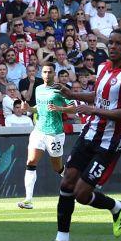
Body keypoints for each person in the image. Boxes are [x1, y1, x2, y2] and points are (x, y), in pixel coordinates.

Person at [39, 29, 121, 241]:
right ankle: (62, 240)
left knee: (82, 194)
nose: (112, 47)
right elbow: (99, 96)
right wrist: (73, 95)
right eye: (111, 43)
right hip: (89, 134)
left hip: (109, 143)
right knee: (66, 183)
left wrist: (93, 109)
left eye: (118, 44)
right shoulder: (103, 67)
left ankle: (116, 207)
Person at [18, 62, 73, 210]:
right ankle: (28, 199)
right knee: (31, 161)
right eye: (44, 72)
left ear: (54, 74)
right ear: (41, 74)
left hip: (55, 133)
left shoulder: (61, 90)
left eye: (50, 72)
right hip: (39, 131)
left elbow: (74, 108)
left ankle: (76, 183)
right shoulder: (38, 89)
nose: (47, 74)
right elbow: (39, 109)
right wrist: (29, 108)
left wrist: (59, 108)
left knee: (57, 167)